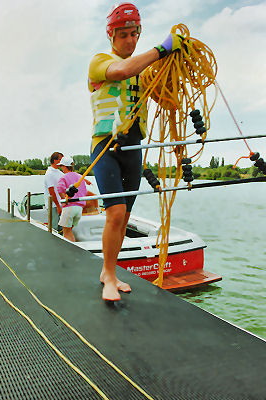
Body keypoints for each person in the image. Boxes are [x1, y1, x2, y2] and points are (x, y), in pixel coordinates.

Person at [88, 3, 185, 301]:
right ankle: (109, 275)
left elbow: (169, 103)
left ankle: (110, 271)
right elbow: (122, 70)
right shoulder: (100, 61)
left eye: (135, 34)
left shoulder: (146, 74)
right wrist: (163, 48)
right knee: (114, 213)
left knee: (125, 214)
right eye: (124, 35)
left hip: (133, 148)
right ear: (111, 36)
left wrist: (175, 68)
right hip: (106, 147)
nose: (130, 41)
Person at [56, 156, 87, 242]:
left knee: (66, 232)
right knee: (69, 230)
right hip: (79, 209)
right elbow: (84, 192)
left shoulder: (64, 177)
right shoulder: (80, 177)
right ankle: (72, 248)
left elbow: (60, 189)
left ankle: (69, 252)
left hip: (69, 208)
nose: (61, 168)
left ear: (65, 166)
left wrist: (64, 200)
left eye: (61, 166)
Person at [44, 152, 64, 228]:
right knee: (54, 228)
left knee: (62, 227)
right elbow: (51, 192)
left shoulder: (60, 173)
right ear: (55, 161)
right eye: (60, 159)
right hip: (53, 206)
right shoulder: (49, 174)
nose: (62, 162)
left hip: (61, 204)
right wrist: (58, 206)